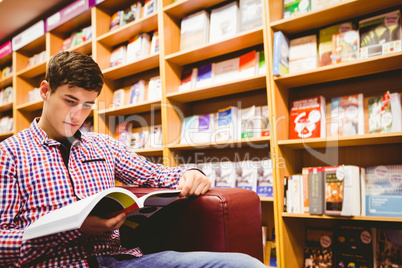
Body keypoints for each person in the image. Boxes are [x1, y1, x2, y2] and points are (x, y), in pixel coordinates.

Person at [0, 51, 265, 268]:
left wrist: (191, 174)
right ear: (45, 90)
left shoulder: (103, 145)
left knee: (244, 265)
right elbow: (2, 241)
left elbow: (156, 174)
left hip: (121, 262)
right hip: (58, 263)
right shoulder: (9, 154)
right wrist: (73, 229)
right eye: (70, 100)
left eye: (88, 105)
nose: (77, 114)